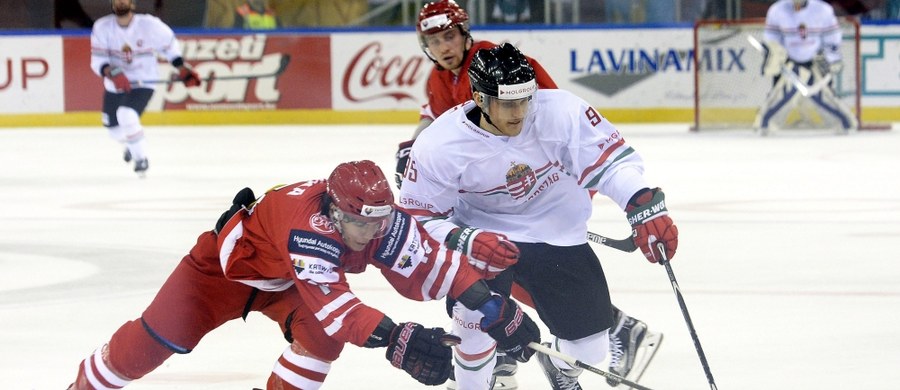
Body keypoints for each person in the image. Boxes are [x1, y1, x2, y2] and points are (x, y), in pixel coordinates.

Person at [67, 160, 541, 390]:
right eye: (360, 224)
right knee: (150, 345)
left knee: (320, 338)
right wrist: (397, 338)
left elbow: (434, 265)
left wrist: (493, 307)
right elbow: (338, 307)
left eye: (378, 223)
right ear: (335, 212)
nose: (369, 234)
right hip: (220, 274)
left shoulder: (377, 219)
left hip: (287, 284)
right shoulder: (308, 227)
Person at [396, 1, 663, 388]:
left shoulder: (506, 66)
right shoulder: (442, 82)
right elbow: (433, 139)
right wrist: (415, 146)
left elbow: (560, 137)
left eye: (449, 36)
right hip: (486, 217)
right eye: (434, 40)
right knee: (483, 302)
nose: (443, 47)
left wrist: (635, 201)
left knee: (553, 299)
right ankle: (496, 361)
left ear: (465, 32)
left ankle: (601, 330)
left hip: (551, 191)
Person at [90, 0, 201, 177]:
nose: (121, 2)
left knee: (126, 114)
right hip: (115, 84)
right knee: (113, 130)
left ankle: (140, 159)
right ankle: (131, 146)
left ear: (132, 3)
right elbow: (98, 60)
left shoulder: (149, 25)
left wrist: (182, 68)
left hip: (144, 82)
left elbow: (170, 48)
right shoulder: (102, 27)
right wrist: (113, 72)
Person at [754, 0, 857, 133]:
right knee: (779, 96)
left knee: (826, 97)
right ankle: (765, 124)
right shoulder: (777, 10)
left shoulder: (822, 10)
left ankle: (844, 123)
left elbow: (832, 38)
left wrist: (831, 58)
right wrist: (775, 54)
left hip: (815, 63)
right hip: (788, 63)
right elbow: (771, 39)